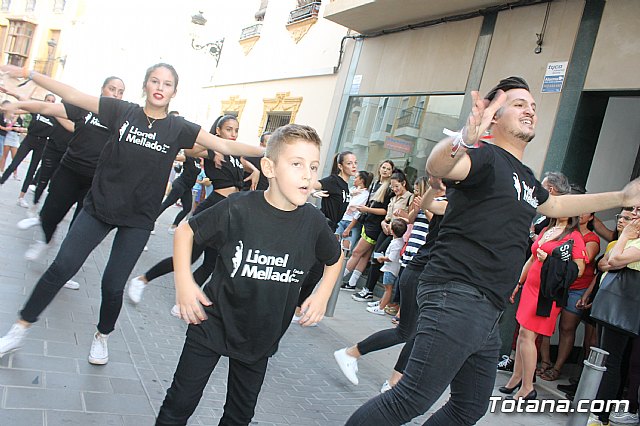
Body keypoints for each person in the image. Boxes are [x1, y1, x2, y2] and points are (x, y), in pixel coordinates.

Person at [344, 76, 640, 425]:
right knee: (409, 399)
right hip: (458, 294)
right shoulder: (483, 157)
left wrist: (622, 197)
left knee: (468, 407)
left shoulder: (526, 177)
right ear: (494, 117)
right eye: (518, 104)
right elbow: (439, 167)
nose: (530, 109)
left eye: (532, 105)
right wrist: (463, 139)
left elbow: (557, 207)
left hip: (486, 308)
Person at [0, 63, 264, 365]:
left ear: (174, 92)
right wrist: (28, 75)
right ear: (146, 85)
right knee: (61, 268)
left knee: (112, 285)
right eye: (155, 81)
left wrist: (271, 151)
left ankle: (102, 335)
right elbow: (73, 94)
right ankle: (19, 329)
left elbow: (220, 144)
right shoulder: (122, 112)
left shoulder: (179, 129)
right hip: (99, 207)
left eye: (167, 84)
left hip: (137, 220)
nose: (160, 87)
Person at [155, 124, 343, 425]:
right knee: (179, 403)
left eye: (313, 166)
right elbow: (185, 231)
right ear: (268, 167)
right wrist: (185, 284)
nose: (308, 175)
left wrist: (321, 295)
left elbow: (336, 257)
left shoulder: (314, 222)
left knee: (239, 416)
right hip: (212, 322)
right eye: (296, 164)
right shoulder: (239, 207)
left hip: (261, 335)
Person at [127, 115, 259, 305]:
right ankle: (142, 280)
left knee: (210, 264)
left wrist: (255, 170)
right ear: (218, 131)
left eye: (236, 130)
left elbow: (245, 163)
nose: (233, 134)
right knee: (187, 258)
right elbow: (189, 151)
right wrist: (210, 147)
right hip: (212, 208)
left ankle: (185, 303)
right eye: (229, 129)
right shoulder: (213, 150)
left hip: (229, 212)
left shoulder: (235, 153)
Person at [3, 76, 126, 263]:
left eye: (120, 91)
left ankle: (64, 265)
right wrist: (20, 104)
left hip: (94, 179)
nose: (116, 94)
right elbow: (48, 109)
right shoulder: (86, 108)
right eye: (112, 88)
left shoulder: (122, 119)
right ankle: (46, 239)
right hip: (69, 169)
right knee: (50, 213)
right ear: (102, 89)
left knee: (79, 227)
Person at [502, 197, 587, 400]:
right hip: (531, 287)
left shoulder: (574, 237)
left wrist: (550, 260)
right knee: (523, 334)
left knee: (528, 336)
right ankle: (517, 377)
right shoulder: (545, 230)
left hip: (547, 293)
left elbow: (578, 270)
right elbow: (531, 258)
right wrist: (519, 283)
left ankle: (528, 386)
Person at [292, 150, 357, 322]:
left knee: (316, 270)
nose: (354, 166)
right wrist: (312, 192)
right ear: (340, 166)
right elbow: (314, 184)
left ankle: (297, 307)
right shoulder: (334, 181)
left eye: (355, 163)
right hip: (323, 225)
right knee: (315, 269)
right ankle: (293, 304)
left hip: (330, 227)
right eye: (349, 163)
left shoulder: (345, 186)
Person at [587, 216, 640, 426]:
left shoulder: (632, 240)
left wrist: (625, 236)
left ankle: (599, 415)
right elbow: (604, 262)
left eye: (637, 211)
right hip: (617, 305)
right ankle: (601, 413)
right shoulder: (629, 240)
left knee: (612, 361)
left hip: (624, 307)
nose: (633, 216)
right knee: (613, 360)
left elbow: (615, 261)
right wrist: (622, 242)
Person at [352, 170, 412, 302]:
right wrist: (384, 222)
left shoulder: (409, 197)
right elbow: (387, 216)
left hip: (396, 233)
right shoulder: (392, 198)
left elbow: (409, 219)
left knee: (385, 261)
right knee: (376, 257)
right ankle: (368, 289)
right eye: (392, 186)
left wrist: (398, 220)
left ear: (404, 183)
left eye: (397, 186)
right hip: (385, 230)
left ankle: (378, 295)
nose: (395, 189)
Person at [340, 160, 394, 291]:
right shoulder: (375, 184)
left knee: (357, 252)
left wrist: (367, 210)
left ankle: (338, 279)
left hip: (375, 226)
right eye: (383, 167)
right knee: (364, 255)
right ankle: (352, 283)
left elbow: (385, 211)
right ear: (379, 168)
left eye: (388, 168)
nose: (385, 170)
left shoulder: (389, 188)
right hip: (367, 221)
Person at [0, 93, 56, 207]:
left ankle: (21, 197)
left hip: (42, 143)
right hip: (30, 139)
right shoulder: (38, 110)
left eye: (52, 101)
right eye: (48, 100)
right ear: (44, 100)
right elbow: (24, 106)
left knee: (32, 170)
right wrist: (8, 106)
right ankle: (1, 182)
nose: (49, 103)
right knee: (14, 163)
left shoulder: (55, 118)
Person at [337, 170, 373, 251]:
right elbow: (342, 202)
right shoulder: (352, 190)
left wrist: (349, 228)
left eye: (356, 177)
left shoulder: (365, 194)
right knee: (333, 244)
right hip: (341, 220)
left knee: (345, 248)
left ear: (361, 180)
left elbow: (357, 212)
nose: (354, 179)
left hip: (352, 224)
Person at [0, 107, 27, 179]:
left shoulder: (21, 118)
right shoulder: (10, 116)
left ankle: (15, 174)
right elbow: (9, 126)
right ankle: (1, 171)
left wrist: (20, 129)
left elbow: (22, 127)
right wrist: (15, 119)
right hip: (9, 136)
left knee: (15, 157)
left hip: (15, 137)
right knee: (4, 156)